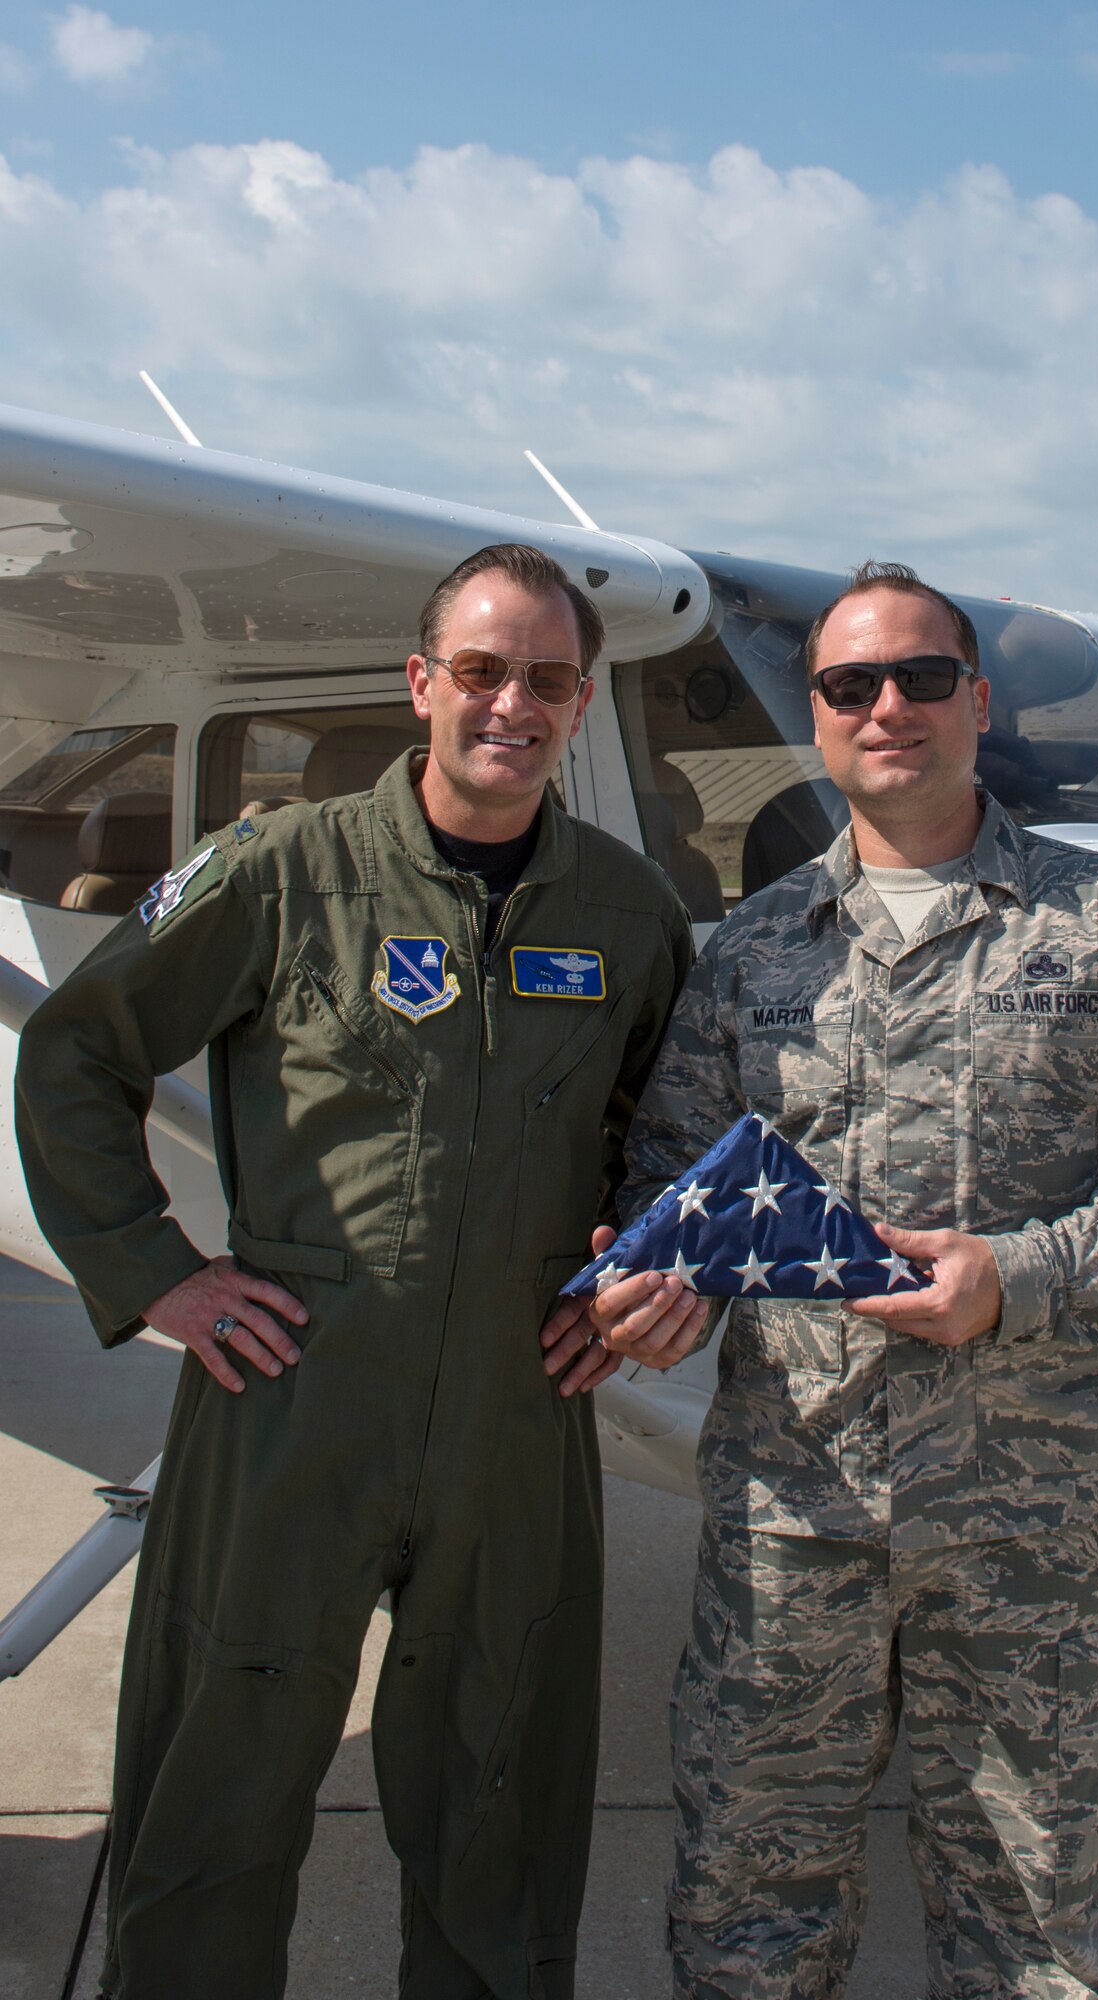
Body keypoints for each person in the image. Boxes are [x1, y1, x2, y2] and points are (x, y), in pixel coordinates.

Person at [568, 561, 1098, 1999]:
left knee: (1030, 1933)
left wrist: (1021, 1274)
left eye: (921, 678)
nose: (887, 709)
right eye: (848, 687)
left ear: (977, 704)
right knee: (750, 1917)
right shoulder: (753, 952)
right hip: (791, 1515)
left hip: (1028, 1529)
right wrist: (656, 1284)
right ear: (817, 723)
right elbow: (672, 1181)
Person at [16, 543, 692, 2000]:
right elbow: (77, 1052)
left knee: (503, 1805)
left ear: (580, 708)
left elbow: (664, 1134)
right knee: (215, 1794)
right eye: (482, 670)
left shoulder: (627, 915)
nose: (513, 703)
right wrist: (157, 1273)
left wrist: (638, 1281)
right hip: (286, 1398)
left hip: (519, 1412)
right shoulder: (282, 871)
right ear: (421, 684)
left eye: (549, 682)